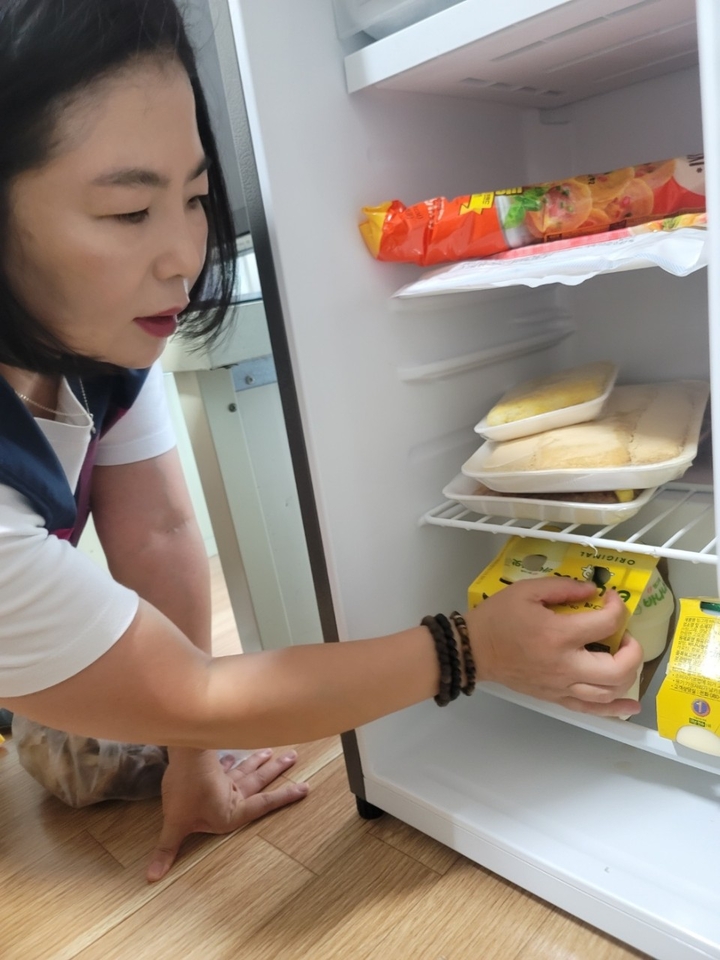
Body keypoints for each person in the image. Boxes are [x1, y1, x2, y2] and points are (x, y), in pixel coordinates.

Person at [0, 0, 643, 884]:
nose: (185, 254)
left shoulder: (91, 339)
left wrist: (192, 761)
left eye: (195, 197)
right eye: (128, 211)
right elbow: (194, 692)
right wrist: (474, 649)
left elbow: (156, 531)